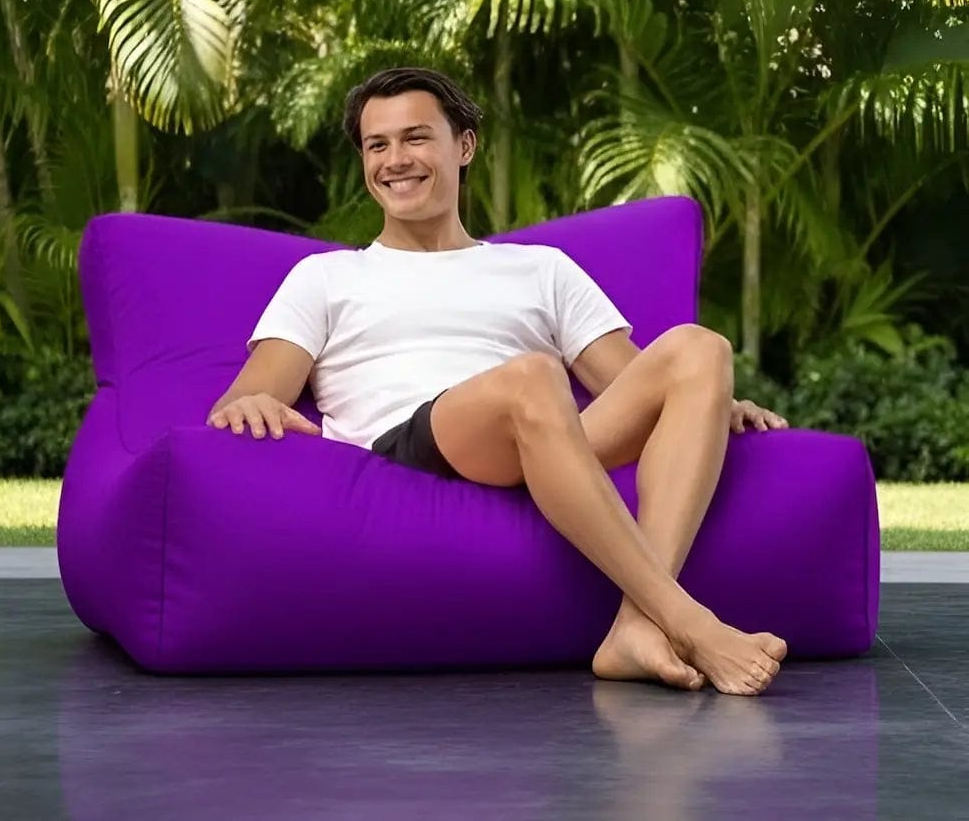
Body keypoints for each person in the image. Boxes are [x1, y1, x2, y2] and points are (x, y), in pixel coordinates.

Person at [207, 66, 790, 696]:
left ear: (463, 146)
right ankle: (687, 621)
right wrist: (251, 404)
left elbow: (640, 381)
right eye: (377, 146)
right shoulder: (325, 277)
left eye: (416, 138)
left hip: (545, 442)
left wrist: (711, 402)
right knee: (535, 377)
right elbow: (249, 391)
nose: (396, 160)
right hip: (412, 447)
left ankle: (634, 627)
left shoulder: (541, 270)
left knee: (701, 349)